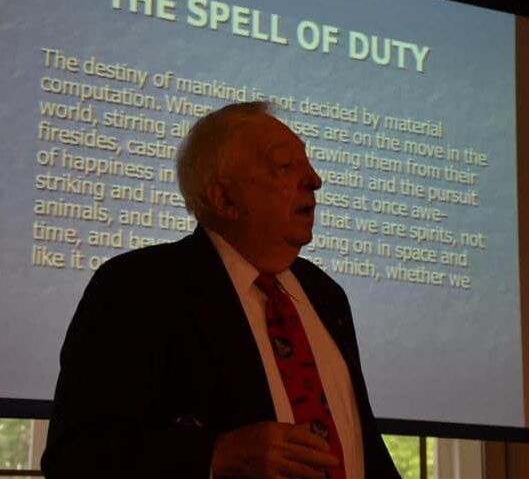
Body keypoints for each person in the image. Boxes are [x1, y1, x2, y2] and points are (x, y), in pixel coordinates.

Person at [41, 102, 401, 479]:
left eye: (307, 163)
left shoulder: (326, 296)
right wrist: (214, 457)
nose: (314, 179)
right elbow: (76, 457)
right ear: (225, 199)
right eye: (284, 166)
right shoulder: (138, 287)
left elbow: (362, 446)